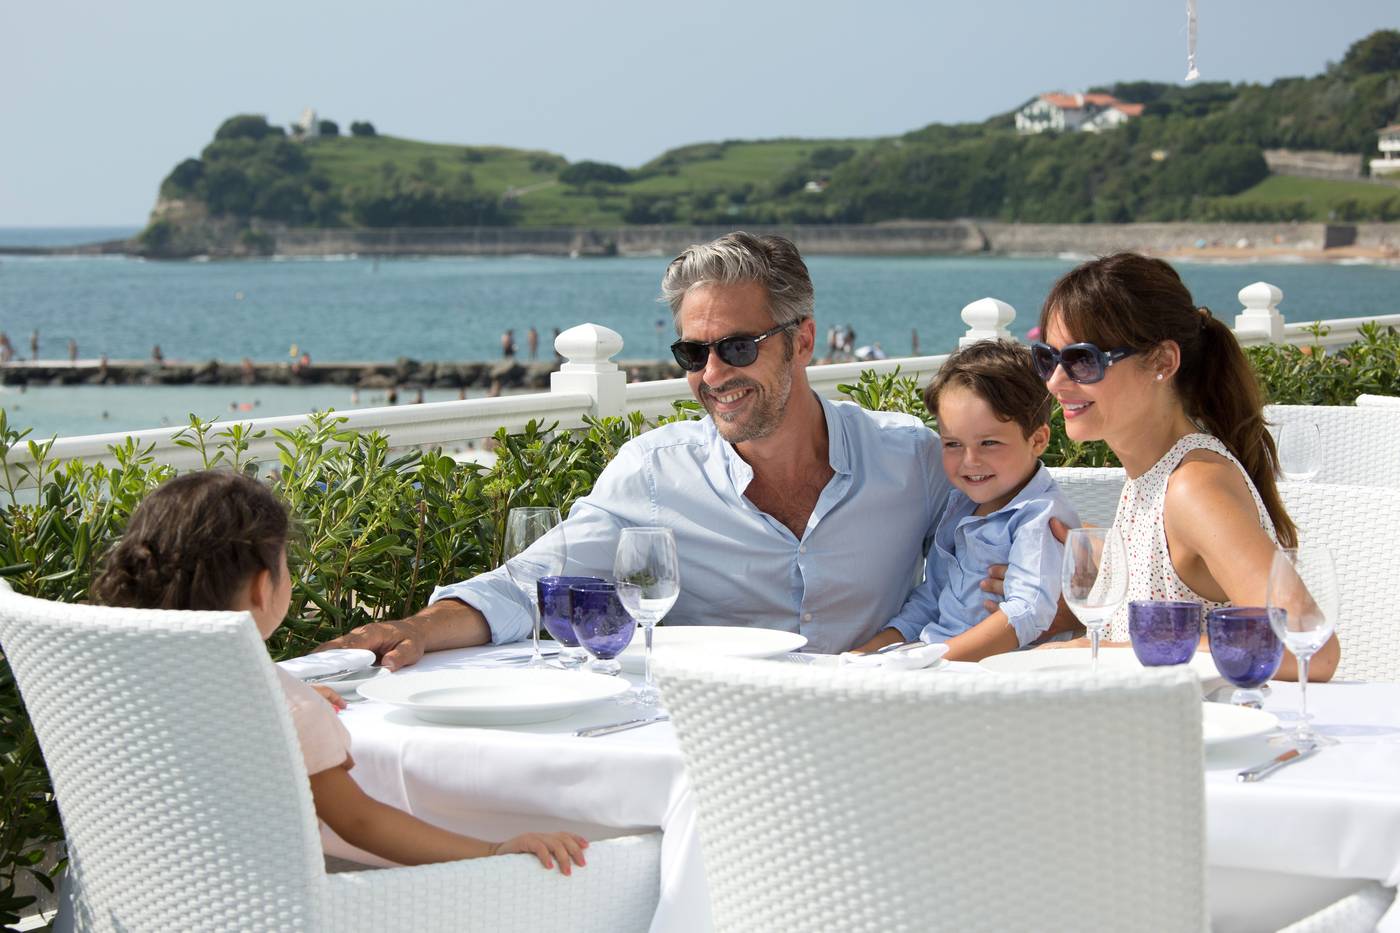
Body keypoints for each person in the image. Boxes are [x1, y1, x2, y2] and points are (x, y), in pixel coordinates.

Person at [320, 232, 974, 666]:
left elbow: (980, 566)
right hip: (719, 749)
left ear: (803, 342)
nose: (713, 374)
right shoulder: (655, 474)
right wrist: (422, 628)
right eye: (694, 352)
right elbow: (535, 582)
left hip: (881, 727)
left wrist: (882, 652)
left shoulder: (912, 460)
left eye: (737, 347)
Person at [90, 471, 589, 873]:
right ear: (265, 588)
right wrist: (494, 852)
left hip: (131, 899)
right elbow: (360, 821)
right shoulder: (279, 705)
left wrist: (294, 697)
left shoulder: (118, 677)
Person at [1034, 252, 1339, 680]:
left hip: (1209, 735)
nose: (1055, 382)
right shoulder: (1150, 477)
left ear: (1162, 362)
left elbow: (1311, 649)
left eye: (1083, 360)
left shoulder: (1194, 487)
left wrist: (1134, 647)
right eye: (1048, 358)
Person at [865, 341, 1078, 661]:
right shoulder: (959, 506)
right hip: (937, 657)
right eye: (952, 443)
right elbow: (931, 599)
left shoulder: (1038, 517)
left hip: (1000, 674)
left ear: (1037, 440)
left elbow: (1028, 611)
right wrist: (867, 653)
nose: (970, 461)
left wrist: (935, 660)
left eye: (988, 443)